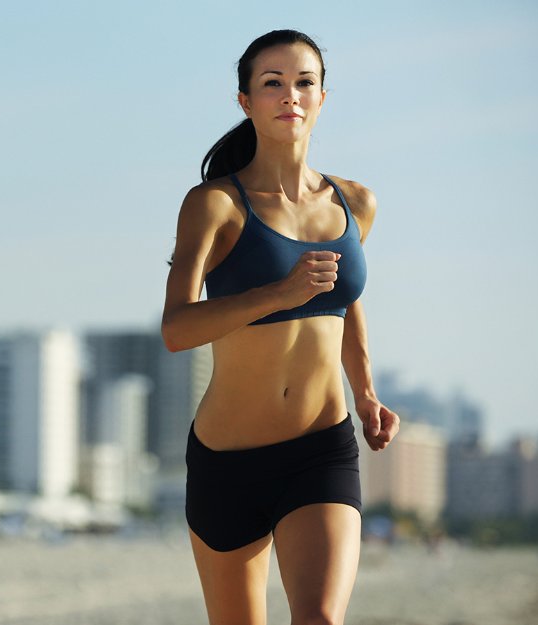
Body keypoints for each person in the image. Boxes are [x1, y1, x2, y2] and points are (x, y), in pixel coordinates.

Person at [160, 29, 401, 625]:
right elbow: (177, 328)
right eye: (272, 83)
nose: (289, 95)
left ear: (323, 97)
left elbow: (344, 300)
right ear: (245, 101)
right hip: (228, 459)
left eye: (304, 82)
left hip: (321, 449)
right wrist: (279, 292)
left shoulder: (355, 203)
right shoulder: (215, 204)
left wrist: (365, 392)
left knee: (319, 618)